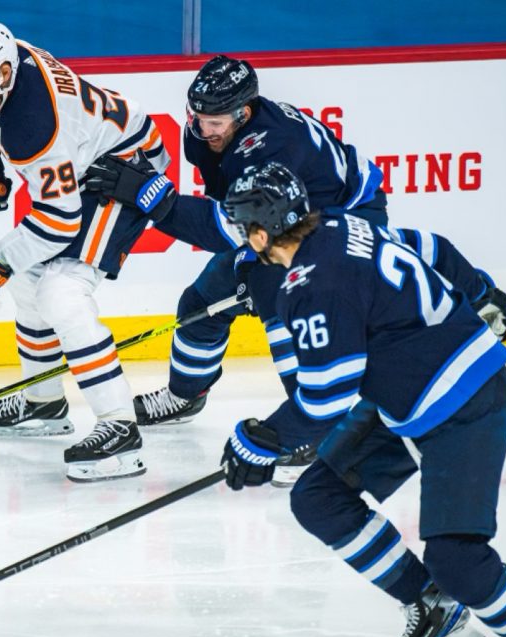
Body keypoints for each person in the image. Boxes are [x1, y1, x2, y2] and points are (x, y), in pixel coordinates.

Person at [218, 161, 506, 637]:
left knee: (457, 560)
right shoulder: (343, 224)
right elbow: (431, 246)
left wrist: (261, 442)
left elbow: (326, 397)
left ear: (260, 234)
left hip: (465, 404)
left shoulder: (311, 287)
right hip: (405, 397)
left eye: (243, 229)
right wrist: (479, 290)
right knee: (318, 498)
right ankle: (431, 605)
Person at [0, 20, 209, 483]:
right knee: (27, 281)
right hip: (84, 154)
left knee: (61, 291)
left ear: (3, 73)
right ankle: (44, 401)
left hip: (123, 169)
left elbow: (59, 221)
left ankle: (119, 428)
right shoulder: (10, 58)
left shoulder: (34, 126)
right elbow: (0, 114)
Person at [89, 54, 390, 427]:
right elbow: (236, 212)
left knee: (281, 300)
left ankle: (314, 426)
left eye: (215, 122)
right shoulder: (207, 133)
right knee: (201, 302)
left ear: (243, 114)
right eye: (198, 118)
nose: (204, 129)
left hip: (344, 220)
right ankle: (184, 396)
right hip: (287, 220)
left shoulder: (271, 148)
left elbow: (223, 230)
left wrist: (150, 197)